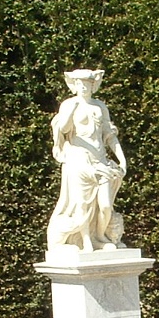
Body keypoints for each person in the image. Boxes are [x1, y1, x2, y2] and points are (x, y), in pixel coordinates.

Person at [46, 69, 127, 251]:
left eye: (87, 84)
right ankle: (86, 241)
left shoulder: (100, 107)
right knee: (81, 203)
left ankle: (99, 236)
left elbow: (109, 136)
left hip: (100, 162)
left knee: (105, 205)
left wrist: (122, 160)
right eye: (80, 83)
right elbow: (64, 130)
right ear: (74, 85)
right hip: (79, 161)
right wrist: (70, 113)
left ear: (93, 86)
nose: (83, 87)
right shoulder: (69, 105)